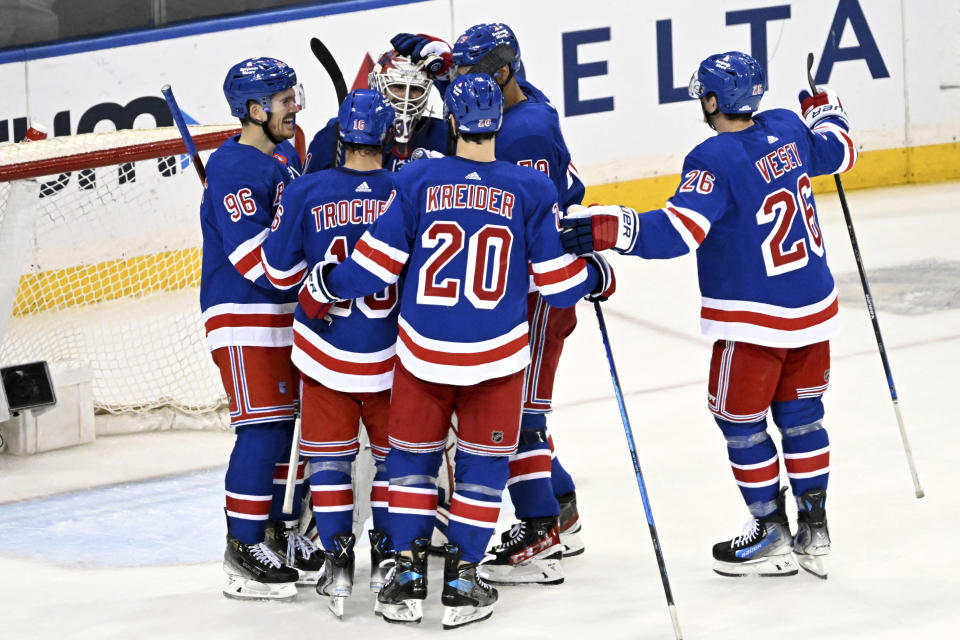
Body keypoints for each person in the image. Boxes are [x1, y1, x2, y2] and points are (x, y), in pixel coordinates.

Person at [297, 74, 615, 628]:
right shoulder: (529, 189)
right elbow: (557, 283)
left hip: (422, 356)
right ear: (498, 125)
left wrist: (325, 285)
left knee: (413, 465)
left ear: (451, 124)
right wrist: (597, 273)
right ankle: (464, 579)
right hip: (497, 360)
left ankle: (407, 576)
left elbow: (373, 266)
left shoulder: (417, 179)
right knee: (481, 472)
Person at [560, 51, 857, 579]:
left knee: (740, 421)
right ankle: (816, 527)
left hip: (754, 322)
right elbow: (838, 150)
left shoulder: (713, 158)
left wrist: (607, 226)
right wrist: (826, 108)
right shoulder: (789, 127)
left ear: (714, 100)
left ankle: (770, 529)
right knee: (804, 418)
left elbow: (679, 231)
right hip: (814, 310)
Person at [393, 23, 588, 584]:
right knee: (521, 417)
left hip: (532, 293)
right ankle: (563, 501)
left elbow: (503, 203)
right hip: (514, 291)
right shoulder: (529, 103)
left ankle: (541, 524)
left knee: (521, 419)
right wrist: (441, 63)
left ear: (502, 74)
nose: (461, 86)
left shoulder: (522, 137)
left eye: (473, 76)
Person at [259, 88, 400, 617]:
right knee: (393, 462)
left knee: (330, 462)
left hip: (324, 355)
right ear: (387, 137)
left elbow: (277, 273)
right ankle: (389, 554)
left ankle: (338, 561)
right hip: (391, 357)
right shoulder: (409, 188)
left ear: (339, 136)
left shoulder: (307, 191)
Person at [201, 56, 321, 600]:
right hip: (242, 313)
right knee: (264, 429)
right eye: (283, 100)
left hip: (280, 314)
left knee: (291, 431)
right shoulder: (232, 169)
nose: (294, 107)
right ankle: (243, 547)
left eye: (294, 96)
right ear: (254, 110)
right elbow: (254, 260)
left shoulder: (283, 156)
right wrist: (320, 278)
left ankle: (276, 531)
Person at [303, 49, 448, 174]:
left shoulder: (442, 134)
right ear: (378, 87)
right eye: (397, 87)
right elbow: (308, 192)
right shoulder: (334, 135)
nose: (406, 97)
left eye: (416, 89)